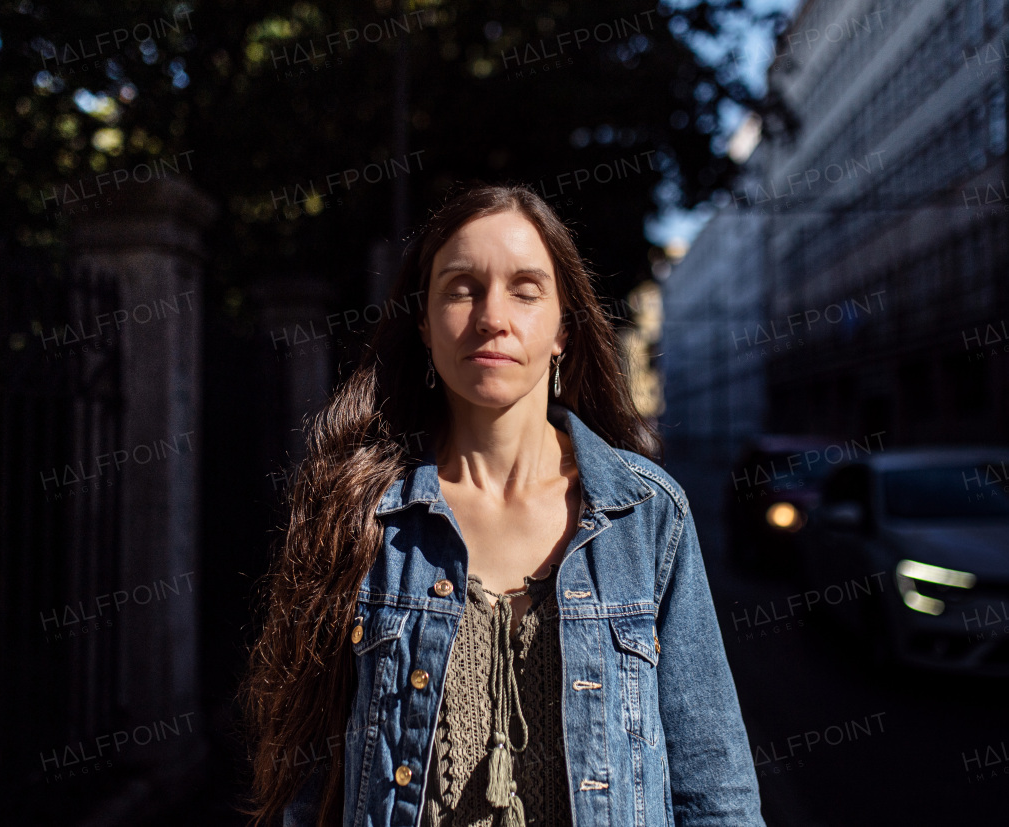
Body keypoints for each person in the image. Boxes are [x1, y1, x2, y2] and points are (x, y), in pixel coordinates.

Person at [240, 183, 764, 826]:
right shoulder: (357, 512)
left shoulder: (646, 517)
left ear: (562, 329)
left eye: (525, 288)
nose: (493, 315)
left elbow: (715, 792)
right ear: (425, 325)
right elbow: (304, 786)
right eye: (461, 287)